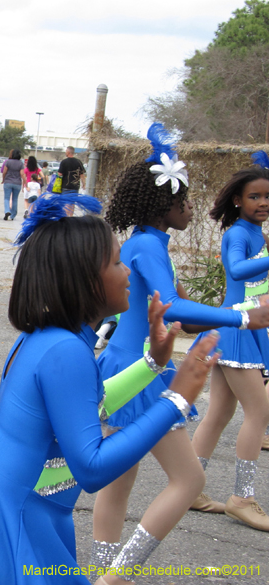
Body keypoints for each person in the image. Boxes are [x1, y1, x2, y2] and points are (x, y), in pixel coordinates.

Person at [0, 193, 220, 585]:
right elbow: (92, 467)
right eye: (116, 262)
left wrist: (153, 365)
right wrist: (175, 400)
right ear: (82, 280)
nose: (128, 271)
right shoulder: (66, 350)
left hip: (16, 502)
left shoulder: (56, 339)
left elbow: (86, 407)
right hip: (13, 514)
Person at [90, 126, 269, 579]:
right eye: (185, 200)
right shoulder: (147, 245)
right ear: (163, 204)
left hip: (132, 366)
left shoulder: (152, 245)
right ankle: (118, 574)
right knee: (188, 480)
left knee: (118, 484)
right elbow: (173, 305)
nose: (191, 207)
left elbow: (185, 319)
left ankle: (107, 573)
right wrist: (243, 319)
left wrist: (245, 309)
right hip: (139, 373)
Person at [190, 159, 269, 531]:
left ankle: (189, 486)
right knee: (259, 412)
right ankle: (243, 497)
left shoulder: (257, 233)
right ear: (237, 200)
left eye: (268, 196)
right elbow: (236, 271)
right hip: (237, 328)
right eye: (255, 196)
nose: (263, 203)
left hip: (242, 327)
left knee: (219, 413)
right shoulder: (239, 234)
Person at [58, 146, 86, 216]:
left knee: (65, 202)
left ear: (68, 152)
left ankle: (66, 218)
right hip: (75, 186)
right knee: (72, 203)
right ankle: (70, 217)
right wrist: (84, 184)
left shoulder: (64, 162)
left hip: (65, 186)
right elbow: (82, 175)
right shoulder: (79, 162)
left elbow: (60, 174)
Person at [1, 148, 25, 221]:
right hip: (17, 183)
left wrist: (3, 179)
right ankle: (13, 215)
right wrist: (25, 182)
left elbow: (4, 172)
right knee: (15, 199)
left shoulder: (8, 162)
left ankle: (7, 210)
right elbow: (22, 174)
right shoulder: (21, 163)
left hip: (8, 181)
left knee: (6, 198)